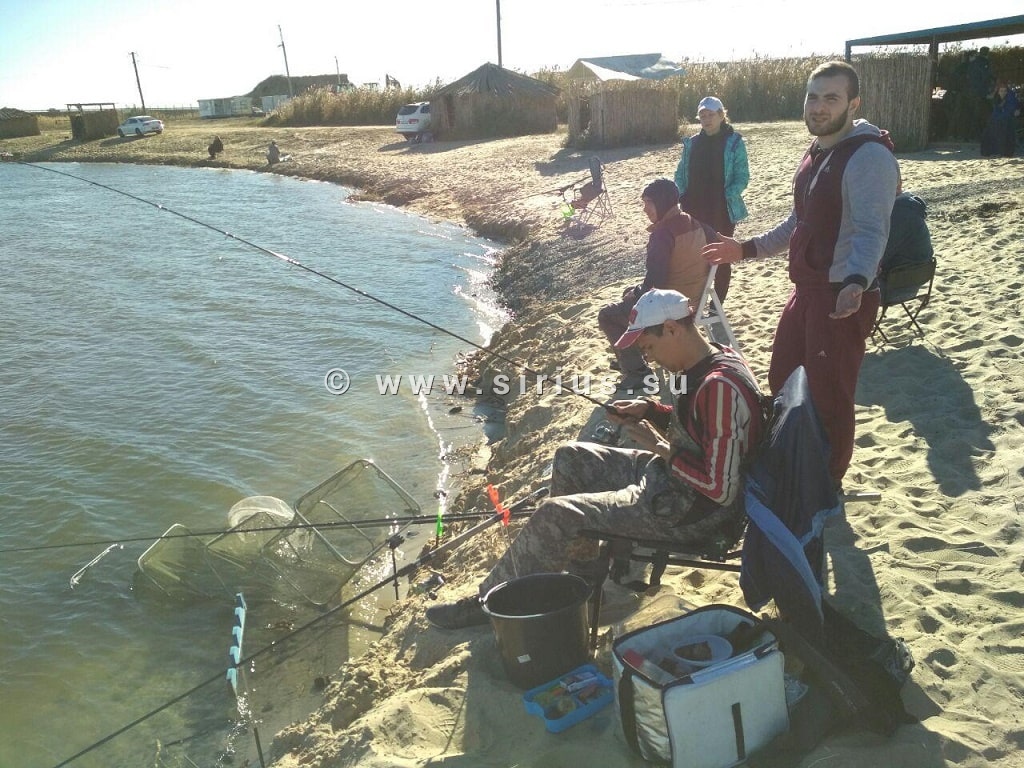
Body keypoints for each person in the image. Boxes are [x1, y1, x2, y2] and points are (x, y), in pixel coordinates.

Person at [426, 289, 766, 630]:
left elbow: (719, 489)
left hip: (693, 513)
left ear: (672, 329)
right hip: (672, 479)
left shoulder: (719, 389)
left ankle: (489, 603)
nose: (648, 358)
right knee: (570, 457)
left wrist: (660, 447)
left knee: (557, 513)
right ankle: (584, 580)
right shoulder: (711, 359)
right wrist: (650, 410)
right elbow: (698, 426)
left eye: (648, 347)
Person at [703, 60, 900, 488]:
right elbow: (798, 222)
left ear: (853, 104)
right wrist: (746, 249)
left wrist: (856, 282)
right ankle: (794, 460)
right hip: (807, 291)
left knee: (829, 395)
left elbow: (872, 229)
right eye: (813, 97)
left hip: (841, 297)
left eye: (832, 98)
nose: (819, 106)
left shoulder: (868, 156)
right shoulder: (816, 152)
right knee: (783, 378)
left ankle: (825, 485)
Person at [597, 178, 717, 391]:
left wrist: (635, 295)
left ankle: (638, 372)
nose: (645, 209)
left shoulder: (663, 234)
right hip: (693, 300)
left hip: (668, 307)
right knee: (628, 293)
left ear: (662, 202)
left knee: (607, 315)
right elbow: (719, 254)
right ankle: (631, 358)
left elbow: (655, 283)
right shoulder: (698, 225)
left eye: (648, 203)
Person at [674, 96, 750, 303]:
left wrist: (726, 195)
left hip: (722, 210)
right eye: (703, 115)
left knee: (721, 258)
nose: (706, 119)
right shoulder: (692, 143)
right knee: (697, 258)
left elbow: (742, 176)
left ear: (721, 115)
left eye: (711, 115)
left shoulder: (734, 142)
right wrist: (682, 194)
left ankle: (717, 306)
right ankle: (696, 303)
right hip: (694, 209)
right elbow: (680, 173)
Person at [980, 82, 1020, 158]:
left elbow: (1011, 110)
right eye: (1001, 91)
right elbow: (996, 111)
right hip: (997, 119)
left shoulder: (1010, 99)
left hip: (1007, 120)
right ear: (998, 92)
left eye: (1005, 91)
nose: (1003, 93)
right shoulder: (996, 99)